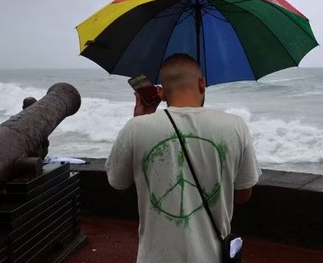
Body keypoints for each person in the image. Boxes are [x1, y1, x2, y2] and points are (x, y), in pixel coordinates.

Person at [106, 54, 261, 263]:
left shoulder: (136, 127)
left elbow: (118, 183)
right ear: (202, 83)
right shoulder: (235, 126)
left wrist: (143, 118)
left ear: (161, 91)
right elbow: (243, 195)